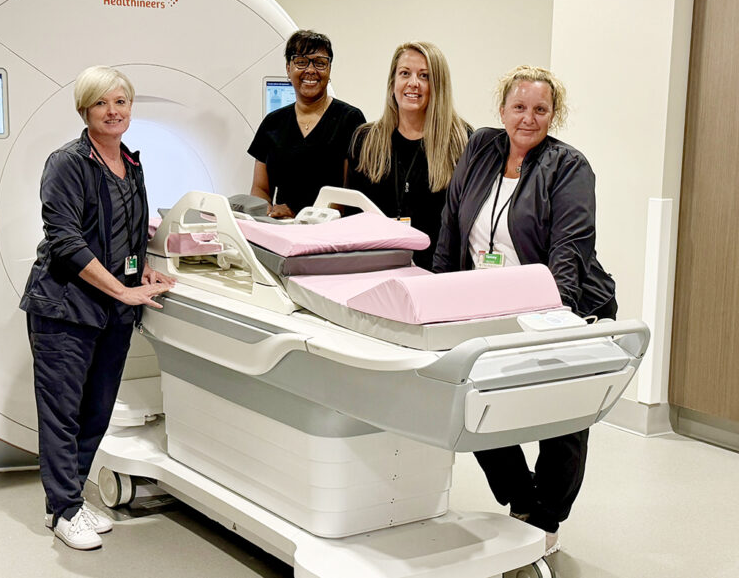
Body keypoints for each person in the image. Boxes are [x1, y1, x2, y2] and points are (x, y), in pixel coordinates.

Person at [432, 65, 616, 556]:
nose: (528, 118)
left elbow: (569, 250)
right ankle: (522, 500)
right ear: (502, 109)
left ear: (554, 114)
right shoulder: (481, 148)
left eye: (540, 109)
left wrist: (554, 321)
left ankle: (547, 519)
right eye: (519, 107)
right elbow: (452, 222)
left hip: (565, 307)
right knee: (478, 404)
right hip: (488, 305)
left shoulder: (568, 166)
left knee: (563, 419)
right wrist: (438, 297)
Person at [20, 65, 175, 551]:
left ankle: (72, 498)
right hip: (65, 306)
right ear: (85, 110)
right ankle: (62, 510)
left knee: (98, 409)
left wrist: (142, 270)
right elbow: (64, 240)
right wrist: (123, 291)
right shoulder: (67, 163)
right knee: (62, 412)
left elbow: (131, 229)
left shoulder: (132, 163)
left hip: (112, 310)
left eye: (122, 102)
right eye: (102, 103)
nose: (114, 111)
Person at [345, 41, 469, 269]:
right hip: (374, 269)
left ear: (438, 85)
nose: (413, 83)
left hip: (438, 274)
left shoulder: (461, 142)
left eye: (424, 76)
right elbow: (352, 216)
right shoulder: (365, 140)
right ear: (393, 82)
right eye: (405, 73)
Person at [248, 30, 366, 218]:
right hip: (283, 230)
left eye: (320, 63)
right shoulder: (272, 123)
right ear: (288, 68)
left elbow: (349, 195)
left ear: (329, 69)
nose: (310, 70)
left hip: (332, 233)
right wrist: (268, 213)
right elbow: (260, 189)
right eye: (301, 61)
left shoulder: (350, 119)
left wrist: (302, 219)